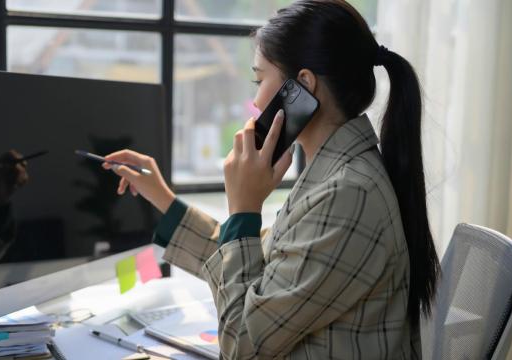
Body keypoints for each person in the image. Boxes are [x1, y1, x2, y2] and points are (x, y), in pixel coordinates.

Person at [102, 0, 440, 358]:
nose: (255, 101)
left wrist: (244, 208)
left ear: (303, 87)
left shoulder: (348, 193)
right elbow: (262, 265)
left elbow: (241, 343)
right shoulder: (335, 174)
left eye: (259, 80)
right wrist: (165, 202)